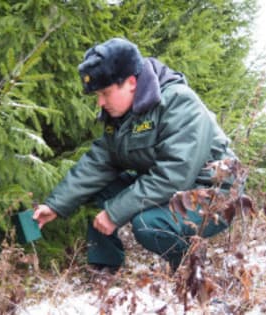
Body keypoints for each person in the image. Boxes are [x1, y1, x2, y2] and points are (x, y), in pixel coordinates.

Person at [33, 37, 236, 272]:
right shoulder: (121, 114)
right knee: (98, 189)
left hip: (213, 194)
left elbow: (175, 175)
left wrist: (114, 213)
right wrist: (55, 206)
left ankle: (190, 270)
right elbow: (99, 162)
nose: (100, 102)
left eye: (105, 93)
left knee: (149, 224)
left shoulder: (179, 102)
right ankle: (104, 269)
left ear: (130, 82)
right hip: (173, 190)